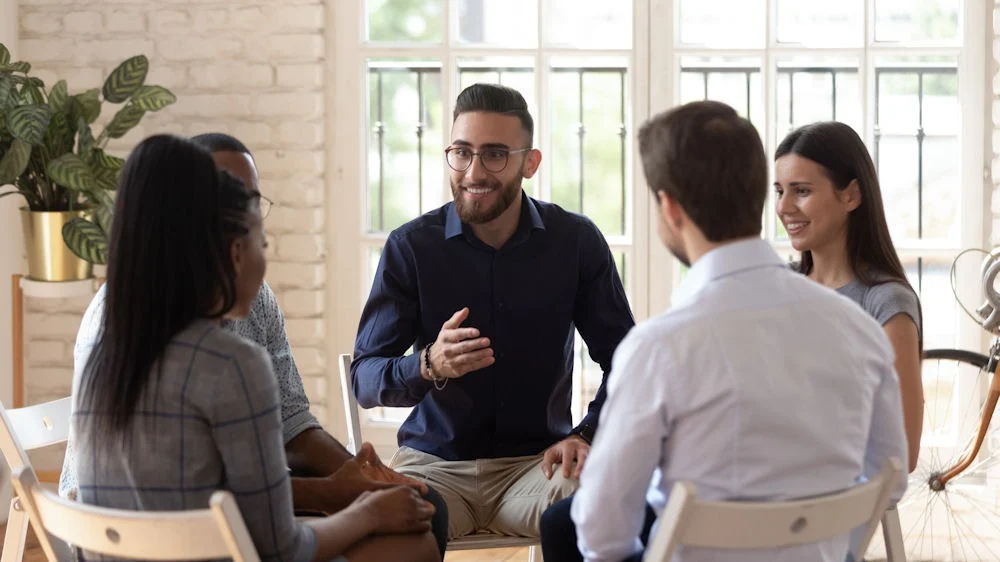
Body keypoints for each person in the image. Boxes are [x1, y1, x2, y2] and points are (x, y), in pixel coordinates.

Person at [59, 133, 450, 556]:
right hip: (205, 541)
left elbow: (286, 429)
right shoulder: (231, 365)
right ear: (231, 249)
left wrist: (348, 483)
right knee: (416, 546)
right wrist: (359, 509)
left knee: (417, 513)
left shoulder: (114, 349)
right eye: (258, 236)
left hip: (124, 547)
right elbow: (281, 548)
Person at [570, 101, 908, 562]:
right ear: (760, 195)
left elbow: (603, 531)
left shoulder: (657, 349)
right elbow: (890, 479)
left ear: (669, 208)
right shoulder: (860, 332)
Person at [351, 83, 635, 540]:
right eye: (462, 152)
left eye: (495, 154)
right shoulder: (411, 247)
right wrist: (429, 365)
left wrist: (586, 434)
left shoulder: (576, 243)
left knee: (602, 500)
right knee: (392, 522)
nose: (474, 171)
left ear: (530, 162)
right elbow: (364, 379)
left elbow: (628, 361)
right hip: (434, 467)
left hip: (537, 467)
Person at [775, 121, 923, 472]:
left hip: (834, 504)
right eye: (779, 191)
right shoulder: (778, 285)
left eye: (802, 191)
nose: (784, 207)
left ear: (852, 195)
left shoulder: (886, 304)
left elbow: (903, 454)